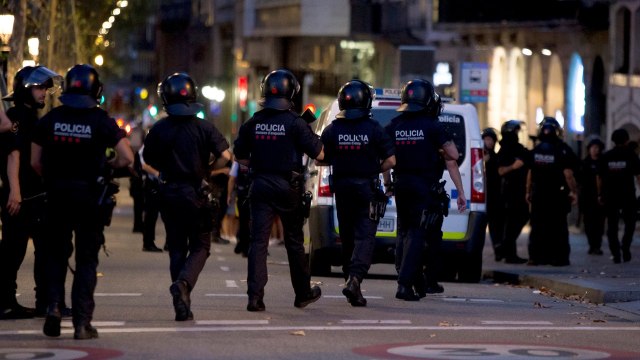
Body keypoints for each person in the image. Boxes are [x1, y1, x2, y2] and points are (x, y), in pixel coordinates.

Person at [31, 64, 134, 339]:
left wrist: (54, 179)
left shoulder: (51, 119)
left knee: (55, 255)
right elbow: (127, 157)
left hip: (56, 197)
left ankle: (53, 306)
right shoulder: (100, 120)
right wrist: (108, 161)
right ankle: (81, 323)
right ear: (95, 91)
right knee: (86, 261)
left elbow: (35, 161)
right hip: (90, 199)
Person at [233, 68, 324, 312]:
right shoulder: (296, 124)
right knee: (294, 241)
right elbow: (321, 154)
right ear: (292, 92)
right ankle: (302, 293)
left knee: (258, 243)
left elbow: (239, 156)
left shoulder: (252, 123)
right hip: (288, 187)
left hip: (260, 185)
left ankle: (255, 298)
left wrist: (262, 162)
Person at [143, 72, 231, 321]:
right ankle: (183, 284)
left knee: (176, 248)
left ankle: (181, 302)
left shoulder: (159, 128)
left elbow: (149, 158)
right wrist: (208, 169)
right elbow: (226, 156)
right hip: (196, 193)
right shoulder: (204, 127)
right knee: (201, 245)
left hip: (169, 193)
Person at [384, 79, 466, 301]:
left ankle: (406, 276)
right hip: (423, 186)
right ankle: (403, 285)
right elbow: (454, 155)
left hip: (401, 184)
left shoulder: (394, 125)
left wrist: (387, 183)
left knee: (403, 231)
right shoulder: (432, 126)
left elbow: (385, 159)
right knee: (417, 234)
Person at [317, 80, 395, 307]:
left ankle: (351, 280)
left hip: (341, 188)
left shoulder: (332, 129)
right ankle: (355, 279)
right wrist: (371, 168)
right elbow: (391, 160)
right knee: (366, 236)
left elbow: (319, 158)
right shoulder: (374, 129)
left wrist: (341, 160)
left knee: (348, 236)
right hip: (366, 188)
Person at [0, 66, 63, 320]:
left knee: (42, 248)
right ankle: (5, 302)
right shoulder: (18, 118)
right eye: (40, 87)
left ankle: (45, 301)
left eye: (47, 88)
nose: (45, 93)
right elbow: (13, 155)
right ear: (26, 89)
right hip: (21, 197)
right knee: (12, 251)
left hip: (33, 196)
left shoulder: (30, 117)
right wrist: (14, 191)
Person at [526, 117, 578, 266]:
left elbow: (530, 173)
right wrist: (573, 192)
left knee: (537, 227)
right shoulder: (562, 150)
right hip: (557, 196)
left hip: (538, 195)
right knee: (558, 227)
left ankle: (535, 257)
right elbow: (568, 174)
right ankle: (559, 258)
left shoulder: (536, 150)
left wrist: (528, 191)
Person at [597, 128, 640, 263]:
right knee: (630, 223)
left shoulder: (606, 156)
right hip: (628, 195)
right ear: (626, 140)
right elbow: (639, 176)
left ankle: (615, 253)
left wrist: (600, 194)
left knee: (612, 225)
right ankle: (625, 247)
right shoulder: (631, 155)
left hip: (610, 196)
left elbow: (599, 178)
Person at [496, 120, 529, 264]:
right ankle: (508, 252)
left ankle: (508, 249)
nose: (517, 134)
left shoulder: (518, 148)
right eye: (515, 131)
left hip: (520, 190)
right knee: (512, 222)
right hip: (510, 192)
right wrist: (514, 166)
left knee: (521, 218)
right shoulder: (505, 150)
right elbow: (501, 171)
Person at [578, 136, 606, 255]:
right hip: (587, 198)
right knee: (589, 223)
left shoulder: (603, 163)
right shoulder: (585, 163)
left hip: (600, 198)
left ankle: (597, 245)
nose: (595, 150)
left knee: (599, 224)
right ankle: (592, 245)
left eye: (597, 148)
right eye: (593, 148)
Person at [481, 127, 505, 262]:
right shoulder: (477, 155)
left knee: (496, 226)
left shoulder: (496, 157)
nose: (489, 142)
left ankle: (498, 250)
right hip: (481, 196)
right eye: (487, 139)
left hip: (494, 196)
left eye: (491, 140)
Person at [138, 145, 163, 252]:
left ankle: (169, 243)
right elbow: (143, 165)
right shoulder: (147, 146)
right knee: (151, 214)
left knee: (170, 215)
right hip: (153, 182)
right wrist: (157, 174)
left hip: (167, 182)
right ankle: (148, 242)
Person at [228, 159, 251, 257]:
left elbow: (232, 179)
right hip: (255, 194)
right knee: (254, 222)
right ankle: (246, 246)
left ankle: (243, 245)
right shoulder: (259, 157)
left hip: (242, 195)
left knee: (243, 221)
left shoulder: (238, 162)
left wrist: (229, 195)